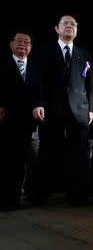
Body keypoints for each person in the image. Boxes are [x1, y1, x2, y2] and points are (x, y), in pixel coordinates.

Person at [31, 15, 93, 206]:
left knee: (80, 154)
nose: (70, 26)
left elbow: (89, 84)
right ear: (56, 29)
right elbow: (36, 80)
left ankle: (78, 195)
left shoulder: (84, 54)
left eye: (73, 24)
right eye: (65, 23)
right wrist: (37, 103)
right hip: (51, 108)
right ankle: (41, 195)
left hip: (80, 110)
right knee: (48, 151)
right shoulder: (44, 51)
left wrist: (90, 108)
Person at [0, 31, 36, 209]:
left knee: (23, 161)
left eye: (27, 42)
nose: (23, 44)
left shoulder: (36, 67)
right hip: (6, 120)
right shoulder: (2, 65)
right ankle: (5, 198)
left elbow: (40, 91)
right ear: (11, 44)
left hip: (29, 122)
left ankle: (17, 197)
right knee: (7, 160)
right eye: (19, 41)